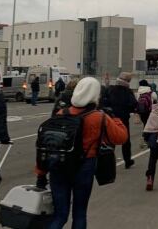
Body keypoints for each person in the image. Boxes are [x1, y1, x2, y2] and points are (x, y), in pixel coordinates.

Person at [35, 77, 128, 229]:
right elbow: (121, 137)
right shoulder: (99, 117)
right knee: (79, 213)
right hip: (84, 166)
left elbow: (48, 143)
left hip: (59, 165)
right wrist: (115, 117)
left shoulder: (61, 113)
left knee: (60, 215)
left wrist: (40, 172)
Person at [100, 72, 137, 169]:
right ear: (127, 81)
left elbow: (104, 102)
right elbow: (133, 105)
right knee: (126, 140)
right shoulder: (128, 92)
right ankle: (127, 161)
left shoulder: (110, 90)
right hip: (123, 118)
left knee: (111, 140)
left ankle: (109, 162)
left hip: (111, 117)